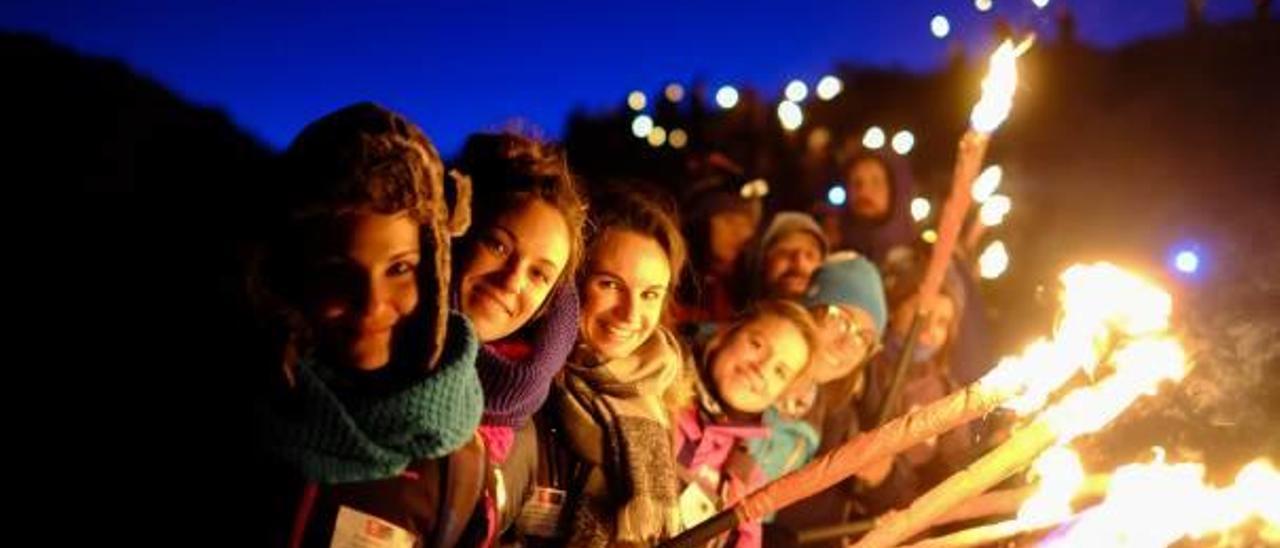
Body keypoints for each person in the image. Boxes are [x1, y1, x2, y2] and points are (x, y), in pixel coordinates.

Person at [247, 102, 486, 546]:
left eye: (399, 269)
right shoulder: (232, 411)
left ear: (434, 271)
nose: (371, 306)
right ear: (292, 276)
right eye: (338, 272)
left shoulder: (459, 461)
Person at [525, 186, 691, 546]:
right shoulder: (523, 382)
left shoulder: (658, 397)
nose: (631, 314)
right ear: (572, 281)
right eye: (610, 284)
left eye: (649, 294)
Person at [451, 132, 588, 540]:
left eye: (538, 274)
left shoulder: (531, 423)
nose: (512, 280)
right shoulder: (367, 356)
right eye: (497, 244)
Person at [674, 300, 820, 548]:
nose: (761, 368)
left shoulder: (744, 479)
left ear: (780, 395)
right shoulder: (655, 395)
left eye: (780, 372)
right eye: (757, 344)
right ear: (725, 333)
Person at [676, 154, 766, 328]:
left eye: (748, 224)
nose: (741, 233)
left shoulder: (750, 285)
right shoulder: (675, 280)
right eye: (729, 221)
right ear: (700, 224)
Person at [839, 152, 918, 265]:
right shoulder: (833, 259)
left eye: (876, 182)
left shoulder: (924, 262)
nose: (863, 191)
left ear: (895, 191)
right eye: (856, 183)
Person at [756, 211, 829, 301]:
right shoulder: (745, 313)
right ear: (762, 260)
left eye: (810, 255)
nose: (799, 264)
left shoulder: (834, 312)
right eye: (785, 253)